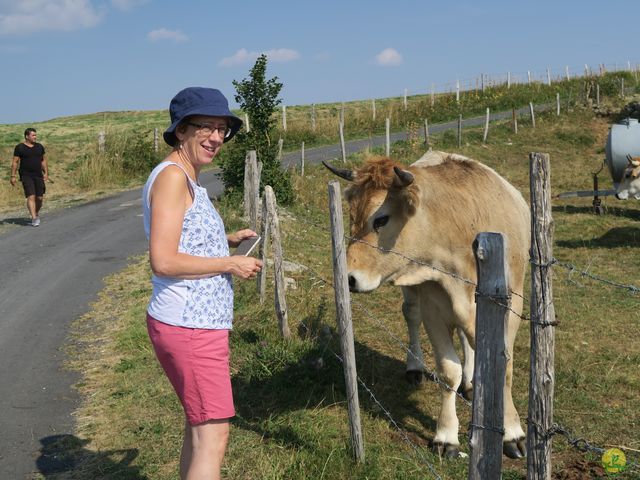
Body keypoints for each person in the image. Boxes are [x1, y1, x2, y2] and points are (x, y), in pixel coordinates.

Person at [142, 86, 262, 480]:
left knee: (199, 429)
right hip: (190, 326)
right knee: (213, 435)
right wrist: (229, 263)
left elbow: (180, 238)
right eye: (205, 127)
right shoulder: (174, 179)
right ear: (180, 130)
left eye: (222, 129)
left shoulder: (185, 177)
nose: (216, 137)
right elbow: (162, 260)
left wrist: (222, 240)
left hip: (194, 323)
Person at [10, 127, 49, 226]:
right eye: (33, 135)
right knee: (31, 196)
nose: (35, 137)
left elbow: (43, 160)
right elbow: (15, 162)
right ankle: (34, 218)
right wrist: (13, 176)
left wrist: (46, 173)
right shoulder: (20, 147)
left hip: (38, 175)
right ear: (27, 136)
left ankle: (35, 213)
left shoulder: (39, 147)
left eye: (35, 135)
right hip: (26, 175)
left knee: (39, 198)